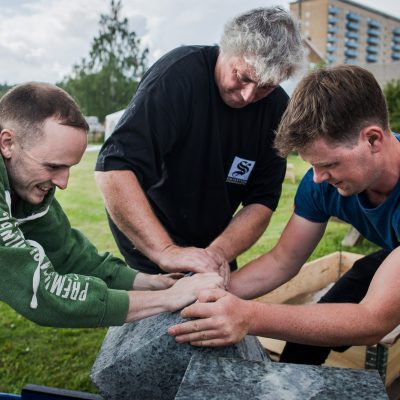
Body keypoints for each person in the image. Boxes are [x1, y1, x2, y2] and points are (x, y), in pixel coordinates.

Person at [168, 65, 400, 360]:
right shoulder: (321, 184)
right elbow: (282, 260)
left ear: (372, 140)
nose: (318, 177)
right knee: (322, 320)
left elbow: (372, 321)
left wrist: (249, 316)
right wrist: (206, 290)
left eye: (328, 164)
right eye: (312, 165)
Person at [95, 6, 305, 281]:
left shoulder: (276, 109)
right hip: (151, 240)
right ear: (225, 49)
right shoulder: (177, 77)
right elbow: (114, 168)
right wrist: (165, 251)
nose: (248, 95)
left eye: (266, 86)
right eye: (242, 77)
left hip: (214, 244)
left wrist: (216, 255)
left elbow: (261, 201)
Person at [0, 82, 223, 328]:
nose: (63, 183)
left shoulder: (27, 189)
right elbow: (42, 292)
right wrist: (167, 298)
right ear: (7, 143)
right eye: (53, 166)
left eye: (68, 167)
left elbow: (69, 256)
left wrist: (147, 282)